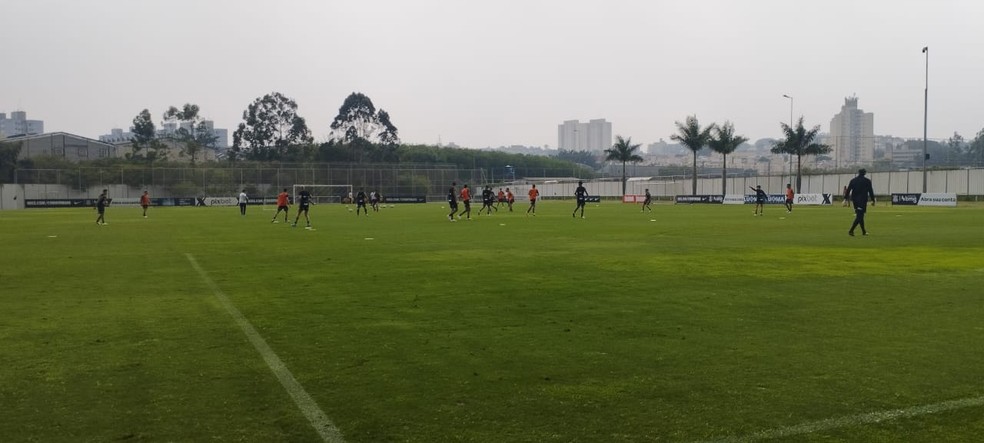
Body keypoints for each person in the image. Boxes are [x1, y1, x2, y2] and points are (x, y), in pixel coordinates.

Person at [846, 168, 876, 236]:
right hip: (862, 200)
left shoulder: (853, 180)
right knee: (860, 216)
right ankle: (851, 230)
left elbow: (848, 189)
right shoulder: (867, 181)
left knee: (860, 216)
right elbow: (870, 191)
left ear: (858, 173)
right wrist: (873, 200)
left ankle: (864, 232)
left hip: (855, 200)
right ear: (865, 173)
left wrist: (845, 198)